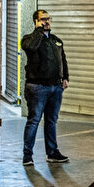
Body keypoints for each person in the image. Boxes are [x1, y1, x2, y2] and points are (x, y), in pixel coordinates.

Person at [21, 9, 70, 165]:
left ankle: (52, 152)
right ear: (36, 21)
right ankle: (27, 155)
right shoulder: (30, 39)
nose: (47, 21)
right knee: (34, 120)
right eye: (43, 19)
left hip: (55, 87)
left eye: (48, 19)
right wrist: (39, 31)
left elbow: (63, 60)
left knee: (51, 121)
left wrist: (66, 77)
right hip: (37, 87)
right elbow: (31, 47)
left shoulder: (55, 40)